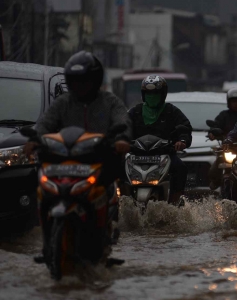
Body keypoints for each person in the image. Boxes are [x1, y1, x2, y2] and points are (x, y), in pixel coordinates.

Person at [24, 51, 132, 262]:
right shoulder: (63, 102)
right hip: (62, 159)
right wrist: (35, 139)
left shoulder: (110, 101)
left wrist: (121, 139)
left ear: (95, 80)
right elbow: (46, 122)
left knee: (109, 188)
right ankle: (48, 246)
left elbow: (123, 120)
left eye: (85, 81)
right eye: (76, 81)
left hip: (98, 159)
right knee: (42, 190)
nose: (80, 86)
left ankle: (103, 238)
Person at [128, 75, 193, 205]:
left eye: (155, 93)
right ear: (143, 94)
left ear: (162, 94)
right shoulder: (135, 112)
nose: (152, 96)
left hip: (165, 154)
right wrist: (120, 141)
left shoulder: (171, 111)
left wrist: (182, 141)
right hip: (137, 155)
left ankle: (174, 202)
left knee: (180, 168)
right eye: (148, 93)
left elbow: (184, 127)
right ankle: (119, 201)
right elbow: (123, 127)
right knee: (115, 167)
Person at [208, 88, 237, 190]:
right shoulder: (224, 115)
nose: (235, 104)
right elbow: (216, 125)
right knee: (217, 164)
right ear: (229, 102)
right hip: (228, 149)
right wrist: (212, 133)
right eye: (233, 102)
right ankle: (216, 181)